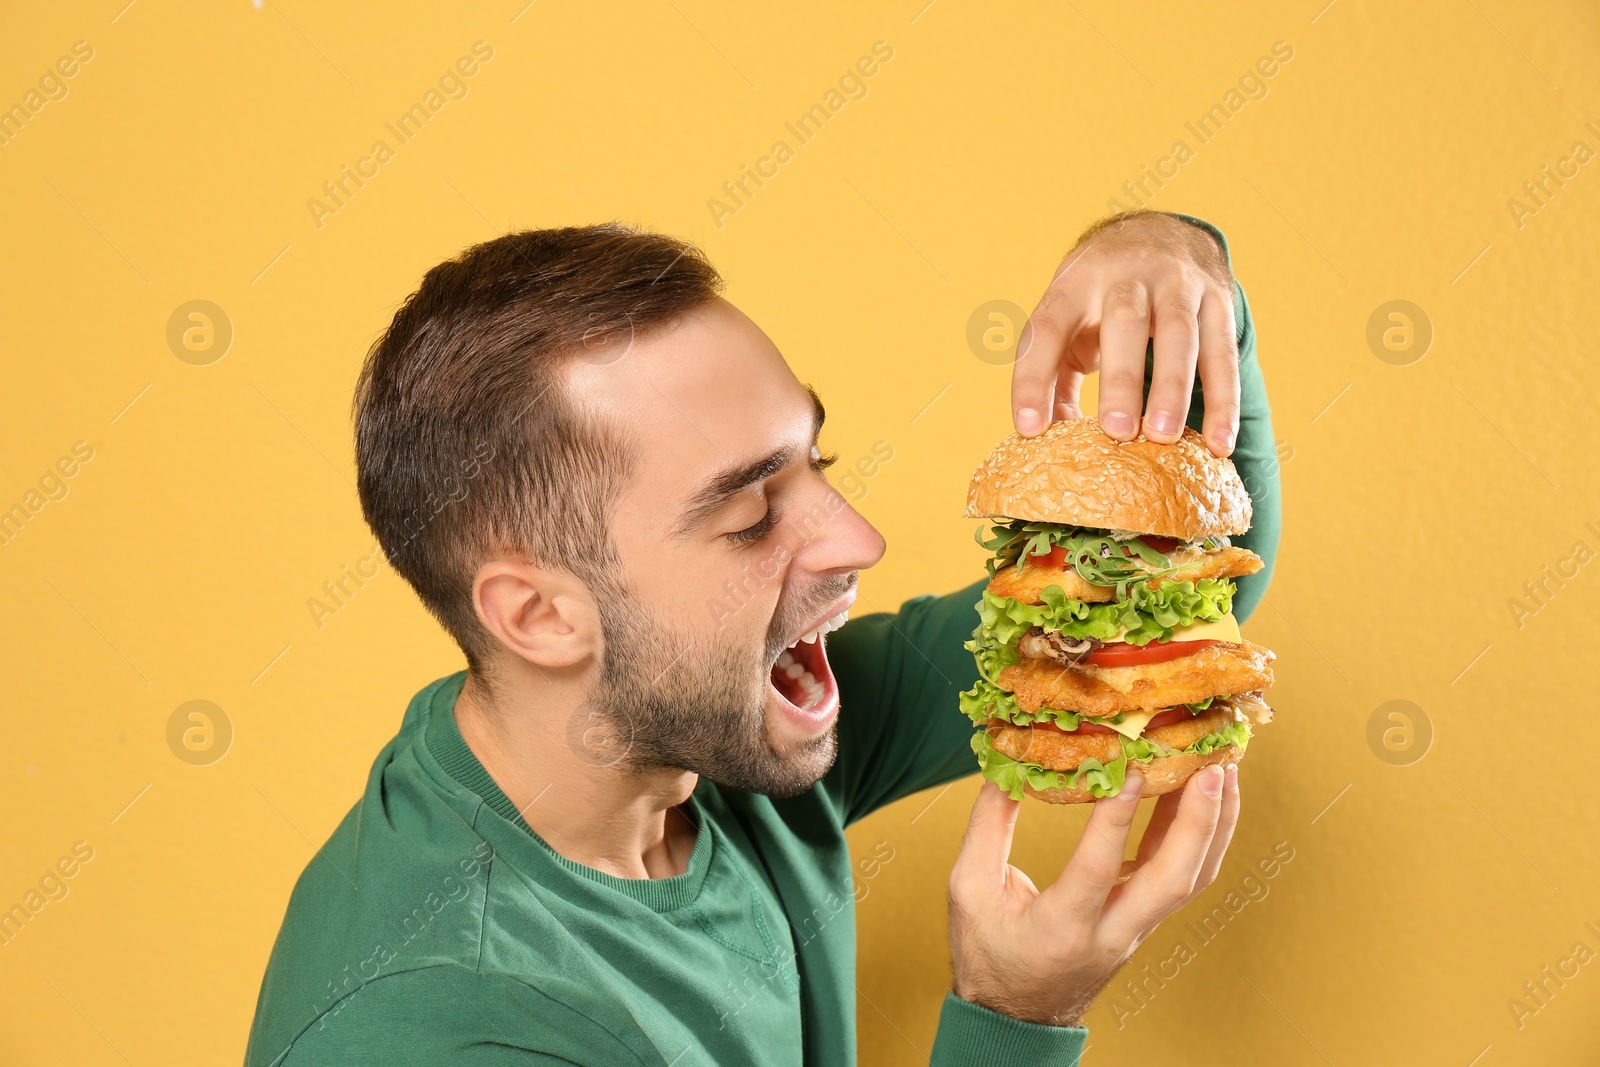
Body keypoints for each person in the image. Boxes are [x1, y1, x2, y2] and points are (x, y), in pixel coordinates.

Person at [244, 209, 1278, 1065]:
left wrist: (1177, 272)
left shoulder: (720, 730)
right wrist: (1016, 1017)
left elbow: (1161, 600)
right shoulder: (448, 1027)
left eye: (813, 463)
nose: (858, 538)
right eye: (746, 516)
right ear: (540, 615)